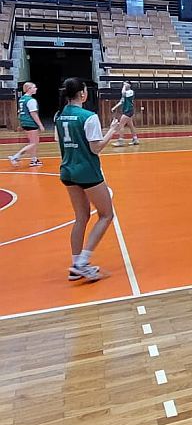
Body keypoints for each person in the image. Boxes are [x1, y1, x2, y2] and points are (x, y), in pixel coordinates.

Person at [55, 77, 121, 282]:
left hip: (68, 170)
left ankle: (76, 264)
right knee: (106, 214)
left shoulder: (59, 116)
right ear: (82, 94)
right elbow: (96, 148)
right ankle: (82, 262)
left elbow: (60, 142)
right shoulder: (89, 117)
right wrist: (112, 130)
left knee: (81, 217)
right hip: (87, 172)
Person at [8, 82, 45, 167]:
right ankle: (16, 156)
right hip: (30, 122)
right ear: (29, 89)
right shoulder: (31, 100)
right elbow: (33, 113)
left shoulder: (21, 99)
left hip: (24, 122)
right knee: (33, 143)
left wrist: (20, 124)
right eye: (34, 87)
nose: (36, 89)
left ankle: (34, 160)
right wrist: (40, 125)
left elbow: (20, 113)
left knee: (33, 142)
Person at [111, 81, 139, 147]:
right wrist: (114, 107)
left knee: (121, 125)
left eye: (126, 84)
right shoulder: (125, 93)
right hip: (127, 111)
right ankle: (135, 139)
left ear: (129, 85)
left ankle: (121, 141)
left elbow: (123, 93)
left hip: (128, 110)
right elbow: (121, 101)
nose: (124, 85)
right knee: (131, 126)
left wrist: (124, 86)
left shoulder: (130, 92)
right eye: (123, 84)